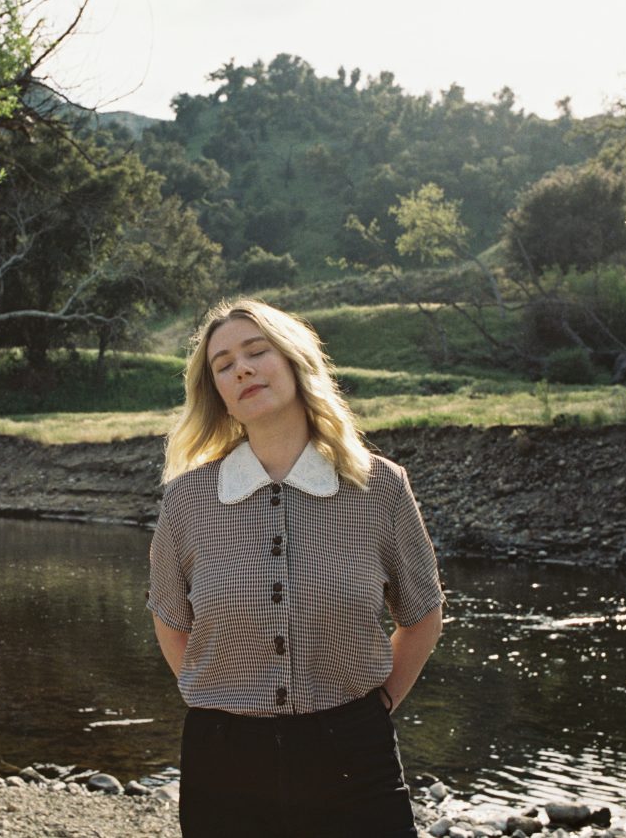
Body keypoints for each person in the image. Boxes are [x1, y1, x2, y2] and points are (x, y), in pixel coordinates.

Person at [146, 298, 445, 838]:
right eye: (223, 365)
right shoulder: (187, 500)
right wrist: (226, 699)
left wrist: (376, 707)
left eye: (256, 352)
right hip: (224, 764)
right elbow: (170, 621)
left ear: (295, 361)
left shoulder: (379, 487)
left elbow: (422, 614)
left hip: (354, 755)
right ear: (217, 394)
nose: (242, 369)